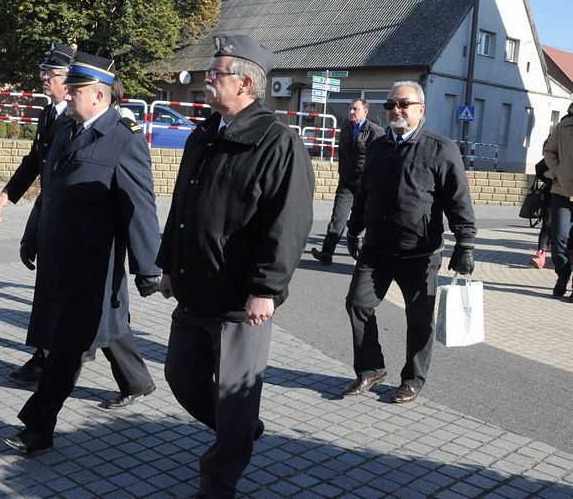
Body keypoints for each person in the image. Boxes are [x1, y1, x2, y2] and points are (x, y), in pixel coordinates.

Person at [157, 34, 315, 498]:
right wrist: (168, 263)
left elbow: (289, 224)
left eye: (216, 74)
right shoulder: (204, 133)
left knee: (235, 396)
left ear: (246, 83)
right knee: (181, 377)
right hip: (193, 288)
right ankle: (240, 429)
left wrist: (266, 288)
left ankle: (220, 477)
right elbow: (182, 206)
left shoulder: (277, 143)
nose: (206, 80)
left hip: (239, 301)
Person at [2, 52, 162, 455]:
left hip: (92, 266)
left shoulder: (123, 141)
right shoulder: (65, 131)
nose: (68, 96)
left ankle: (38, 430)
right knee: (79, 337)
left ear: (98, 95)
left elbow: (140, 207)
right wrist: (31, 236)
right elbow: (49, 194)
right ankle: (137, 382)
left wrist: (148, 269)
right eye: (68, 88)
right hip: (58, 261)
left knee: (66, 349)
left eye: (75, 90)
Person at [343, 80, 476, 404]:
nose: (396, 110)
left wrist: (465, 244)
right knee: (357, 304)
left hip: (419, 253)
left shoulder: (440, 148)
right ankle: (370, 368)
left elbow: (458, 200)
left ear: (421, 109)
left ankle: (413, 379)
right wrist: (354, 228)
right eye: (390, 105)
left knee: (418, 319)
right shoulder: (377, 146)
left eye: (403, 104)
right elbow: (363, 193)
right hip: (376, 249)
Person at [0, 42, 75, 383]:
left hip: (68, 218)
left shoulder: (75, 116)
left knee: (71, 300)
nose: (43, 77)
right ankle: (43, 356)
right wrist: (7, 194)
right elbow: (33, 162)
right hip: (48, 211)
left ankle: (47, 358)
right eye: (43, 71)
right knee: (53, 292)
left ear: (68, 79)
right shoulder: (48, 113)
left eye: (50, 73)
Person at [312, 99, 383, 264]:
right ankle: (327, 253)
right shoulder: (345, 129)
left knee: (366, 220)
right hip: (346, 183)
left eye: (356, 109)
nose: (351, 112)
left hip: (366, 185)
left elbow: (379, 159)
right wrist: (342, 175)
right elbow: (342, 155)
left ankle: (365, 253)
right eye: (350, 109)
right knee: (337, 218)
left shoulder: (375, 132)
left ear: (365, 112)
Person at [543, 102, 573, 296]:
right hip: (562, 191)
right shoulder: (564, 127)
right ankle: (563, 273)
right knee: (558, 239)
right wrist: (557, 171)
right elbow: (549, 151)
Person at [530, 157, 552, 269]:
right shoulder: (559, 149)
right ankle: (541, 254)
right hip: (553, 194)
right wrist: (553, 178)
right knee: (547, 224)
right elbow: (539, 168)